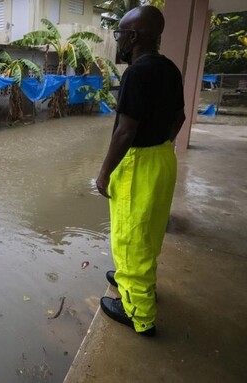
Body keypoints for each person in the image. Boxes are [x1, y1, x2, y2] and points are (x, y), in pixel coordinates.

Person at [95, 6, 185, 337]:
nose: (117, 39)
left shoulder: (136, 73)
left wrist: (104, 172)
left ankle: (139, 313)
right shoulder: (170, 69)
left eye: (119, 33)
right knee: (147, 233)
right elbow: (180, 118)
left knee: (131, 237)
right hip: (163, 158)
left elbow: (125, 131)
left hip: (139, 164)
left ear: (133, 37)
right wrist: (162, 144)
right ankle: (132, 281)